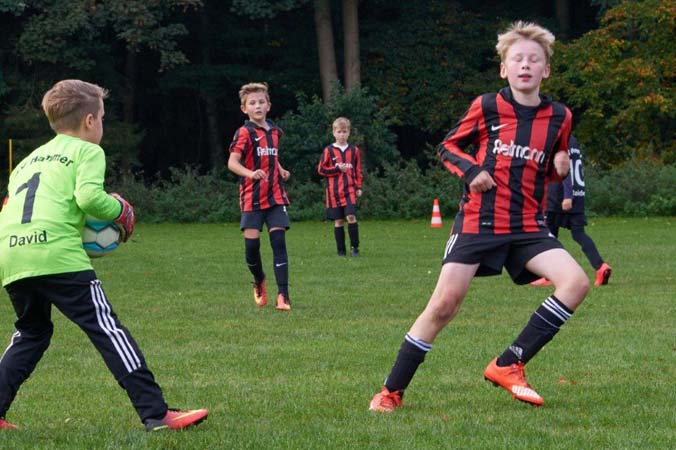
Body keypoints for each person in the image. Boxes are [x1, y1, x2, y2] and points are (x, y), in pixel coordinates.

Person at [369, 21, 590, 412]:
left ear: (546, 70)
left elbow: (548, 169)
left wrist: (558, 170)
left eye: (534, 59)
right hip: (480, 222)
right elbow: (447, 146)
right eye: (517, 59)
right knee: (444, 305)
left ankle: (509, 363)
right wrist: (472, 171)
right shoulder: (487, 106)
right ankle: (391, 391)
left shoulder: (560, 116)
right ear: (504, 68)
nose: (525, 65)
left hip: (528, 225)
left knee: (575, 283)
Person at [0, 80, 208, 431]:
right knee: (107, 329)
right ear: (90, 121)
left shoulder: (27, 161)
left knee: (32, 332)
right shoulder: (87, 151)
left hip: (12, 254)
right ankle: (156, 413)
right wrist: (121, 210)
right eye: (103, 118)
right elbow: (89, 199)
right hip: (57, 255)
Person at [227, 82, 292, 311]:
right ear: (244, 108)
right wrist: (250, 173)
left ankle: (283, 295)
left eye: (261, 102)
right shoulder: (244, 133)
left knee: (279, 241)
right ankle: (259, 280)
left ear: (268, 106)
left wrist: (280, 169)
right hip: (251, 198)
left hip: (275, 196)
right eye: (252, 103)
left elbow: (271, 157)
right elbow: (232, 163)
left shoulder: (275, 132)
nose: (257, 106)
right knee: (251, 248)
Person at [531, 135, 612, 287]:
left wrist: (567, 195)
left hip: (559, 197)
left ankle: (550, 276)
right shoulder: (573, 140)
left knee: (548, 237)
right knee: (579, 234)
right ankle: (601, 267)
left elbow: (564, 167)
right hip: (578, 195)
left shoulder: (558, 139)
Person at [317, 117, 363, 257]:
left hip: (349, 190)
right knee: (338, 221)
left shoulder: (354, 150)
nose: (342, 135)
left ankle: (354, 248)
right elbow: (321, 170)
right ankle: (341, 251)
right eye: (339, 132)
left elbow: (357, 170)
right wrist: (337, 169)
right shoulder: (329, 150)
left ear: (349, 133)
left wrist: (358, 187)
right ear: (334, 132)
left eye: (344, 132)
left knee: (351, 216)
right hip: (334, 192)